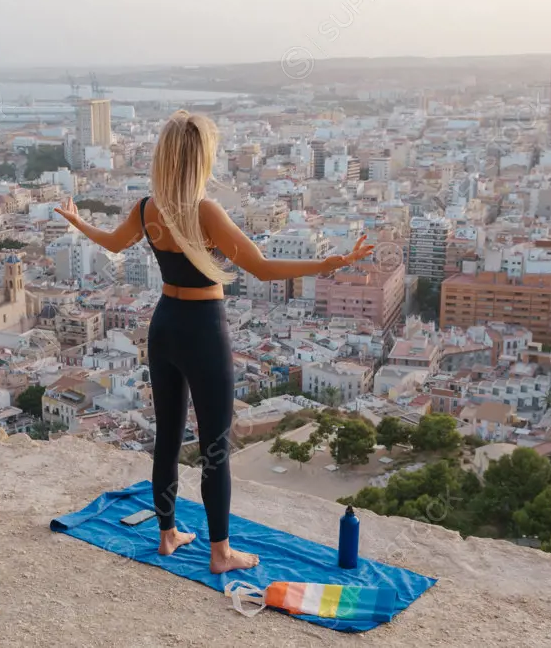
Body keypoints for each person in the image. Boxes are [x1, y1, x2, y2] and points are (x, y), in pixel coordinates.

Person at [55, 110, 374, 573]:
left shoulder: (148, 208)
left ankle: (167, 535)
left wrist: (76, 221)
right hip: (204, 326)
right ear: (200, 159)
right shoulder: (205, 211)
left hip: (164, 324)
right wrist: (330, 263)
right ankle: (220, 552)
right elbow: (262, 268)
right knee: (215, 446)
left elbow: (111, 243)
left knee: (166, 435)